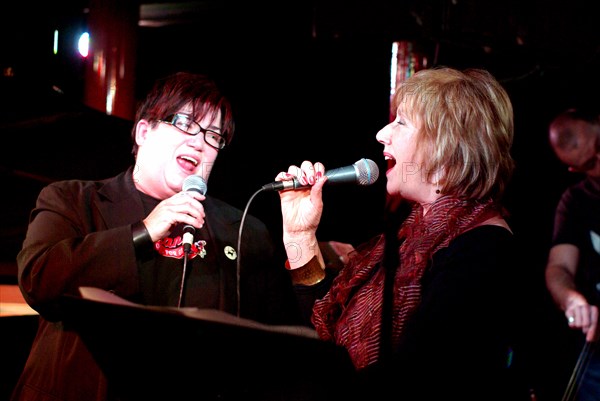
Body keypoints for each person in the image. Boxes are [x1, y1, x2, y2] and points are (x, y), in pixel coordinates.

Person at [10, 71, 302, 401]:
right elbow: (40, 279)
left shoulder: (242, 228)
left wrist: (300, 236)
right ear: (143, 131)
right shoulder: (73, 200)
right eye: (185, 123)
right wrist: (144, 231)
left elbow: (286, 337)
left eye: (214, 136)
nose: (199, 142)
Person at [273, 67, 530, 400]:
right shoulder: (408, 238)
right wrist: (299, 235)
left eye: (402, 122)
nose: (382, 133)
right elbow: (320, 333)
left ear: (446, 146)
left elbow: (414, 380)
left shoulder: (482, 251)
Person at [545, 107, 600, 401]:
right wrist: (571, 299)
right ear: (574, 168)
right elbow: (559, 268)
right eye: (591, 163)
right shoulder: (576, 201)